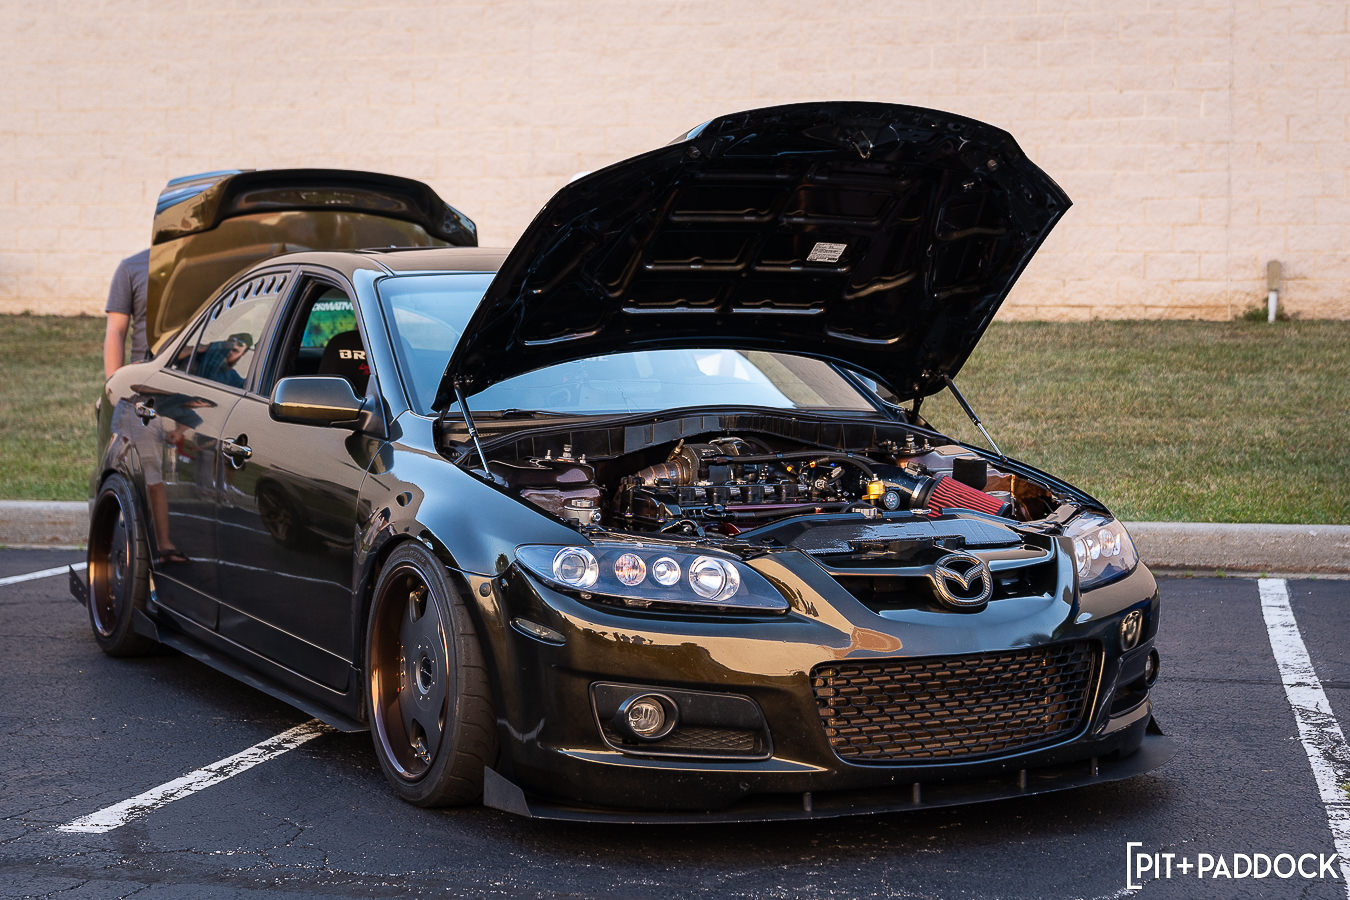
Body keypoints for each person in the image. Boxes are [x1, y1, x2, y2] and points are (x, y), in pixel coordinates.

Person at [103, 249, 186, 564]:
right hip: (143, 393)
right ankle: (147, 550)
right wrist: (115, 388)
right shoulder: (132, 267)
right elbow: (116, 331)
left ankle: (164, 546)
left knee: (170, 478)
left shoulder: (210, 261)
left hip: (192, 388)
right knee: (143, 474)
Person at [103, 249, 150, 378]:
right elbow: (116, 331)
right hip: (145, 374)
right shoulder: (131, 267)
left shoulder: (202, 265)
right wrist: (113, 385)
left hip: (197, 374)